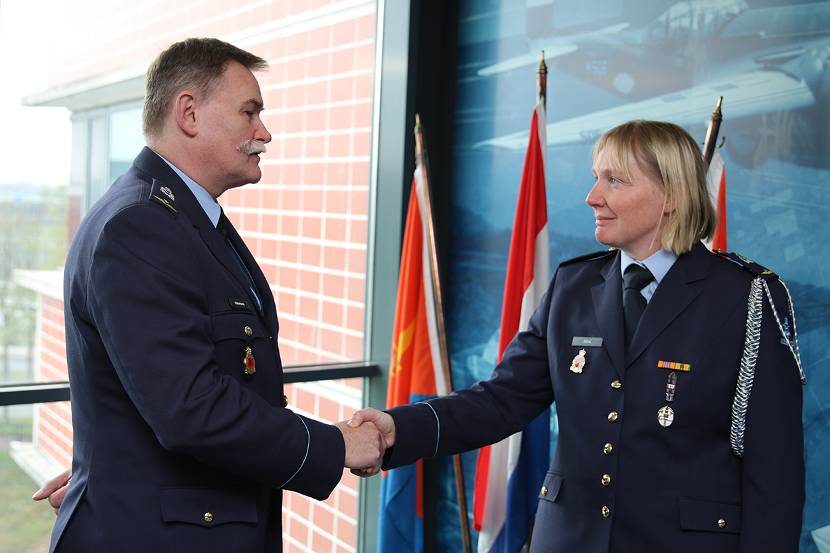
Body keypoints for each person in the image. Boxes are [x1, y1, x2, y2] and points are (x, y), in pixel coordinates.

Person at [350, 121, 805, 552]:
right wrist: (397, 429)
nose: (592, 197)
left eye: (615, 180)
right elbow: (499, 400)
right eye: (596, 178)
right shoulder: (573, 286)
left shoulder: (746, 297)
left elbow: (775, 471)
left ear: (671, 194)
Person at [31, 37, 385, 553]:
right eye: (249, 113)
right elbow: (191, 408)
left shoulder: (180, 219)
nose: (264, 133)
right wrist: (335, 445)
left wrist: (115, 464)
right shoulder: (141, 226)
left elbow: (154, 387)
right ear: (189, 113)